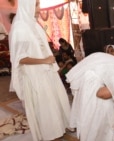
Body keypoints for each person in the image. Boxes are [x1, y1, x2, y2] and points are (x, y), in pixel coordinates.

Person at [8, 0, 71, 140]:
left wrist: (49, 59)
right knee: (45, 106)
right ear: (27, 5)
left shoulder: (33, 25)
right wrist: (44, 60)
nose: (39, 8)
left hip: (46, 71)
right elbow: (20, 59)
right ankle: (50, 133)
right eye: (36, 4)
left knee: (55, 101)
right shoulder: (19, 28)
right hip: (34, 75)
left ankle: (60, 127)